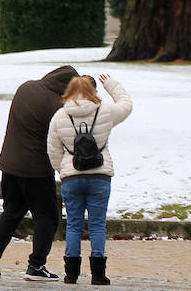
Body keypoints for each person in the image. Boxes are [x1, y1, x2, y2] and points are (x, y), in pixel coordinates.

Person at [0, 64, 78, 282]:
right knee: (47, 216)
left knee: (11, 212)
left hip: (9, 164)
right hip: (36, 170)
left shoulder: (25, 88)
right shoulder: (57, 106)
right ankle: (36, 265)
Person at [47, 73, 133, 286]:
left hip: (71, 178)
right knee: (97, 224)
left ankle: (71, 274)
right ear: (92, 91)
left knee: (74, 225)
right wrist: (111, 84)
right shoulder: (104, 111)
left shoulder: (59, 116)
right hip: (99, 175)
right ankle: (98, 274)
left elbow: (53, 150)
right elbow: (126, 105)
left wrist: (63, 170)